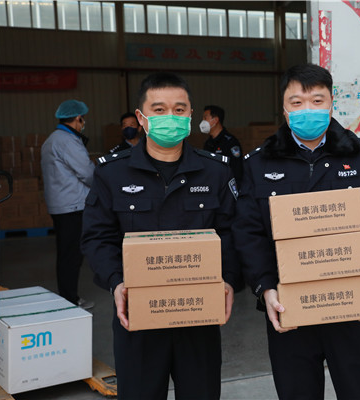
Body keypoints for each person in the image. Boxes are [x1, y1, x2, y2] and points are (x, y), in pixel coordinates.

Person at [232, 63, 360, 399]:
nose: (307, 110)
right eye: (296, 103)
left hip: (352, 304)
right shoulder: (259, 163)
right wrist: (265, 287)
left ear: (331, 103)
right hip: (288, 306)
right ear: (284, 108)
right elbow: (248, 231)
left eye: (316, 101)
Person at [81, 72, 240, 399]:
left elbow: (233, 231)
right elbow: (97, 237)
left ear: (190, 115)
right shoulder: (112, 173)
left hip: (198, 314)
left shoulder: (215, 171)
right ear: (141, 118)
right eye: (159, 109)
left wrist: (228, 279)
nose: (171, 117)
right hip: (137, 315)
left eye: (179, 110)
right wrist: (116, 282)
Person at [41, 99, 95, 310]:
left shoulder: (53, 139)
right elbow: (87, 173)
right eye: (83, 119)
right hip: (72, 206)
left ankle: (68, 296)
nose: (83, 123)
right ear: (78, 118)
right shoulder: (68, 141)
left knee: (66, 253)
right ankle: (70, 300)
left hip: (62, 204)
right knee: (71, 255)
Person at [200, 105, 244, 187]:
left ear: (215, 120)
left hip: (226, 187)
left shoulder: (230, 142)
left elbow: (237, 169)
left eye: (205, 118)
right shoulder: (208, 143)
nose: (202, 121)